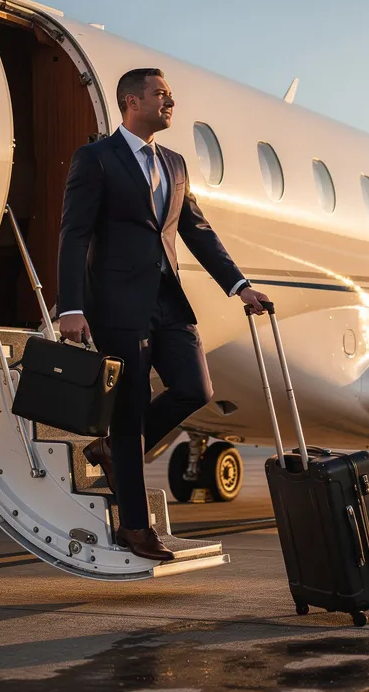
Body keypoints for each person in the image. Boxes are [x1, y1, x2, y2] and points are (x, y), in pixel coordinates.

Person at [57, 68, 269, 561]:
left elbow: (197, 230)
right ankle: (135, 528)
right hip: (117, 305)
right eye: (160, 94)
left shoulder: (174, 163)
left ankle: (113, 452)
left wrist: (240, 286)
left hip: (168, 300)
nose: (170, 102)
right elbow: (74, 233)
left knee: (195, 389)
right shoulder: (96, 158)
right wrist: (71, 307)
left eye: (170, 95)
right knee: (129, 413)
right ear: (131, 101)